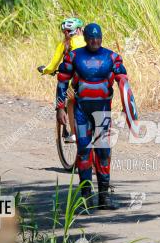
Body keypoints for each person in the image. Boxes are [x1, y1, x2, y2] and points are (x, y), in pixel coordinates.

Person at [55, 23, 128, 210]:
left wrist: (128, 106)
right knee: (84, 152)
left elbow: (123, 82)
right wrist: (60, 108)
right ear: (86, 38)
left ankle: (104, 198)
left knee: (104, 153)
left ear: (102, 38)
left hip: (102, 112)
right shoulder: (73, 56)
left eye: (98, 38)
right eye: (92, 38)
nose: (95, 41)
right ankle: (86, 198)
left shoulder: (112, 57)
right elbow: (62, 82)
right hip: (81, 113)